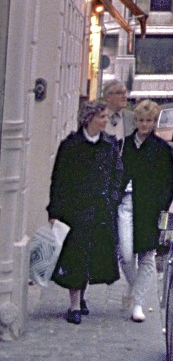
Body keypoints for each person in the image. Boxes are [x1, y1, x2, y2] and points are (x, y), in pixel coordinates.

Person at [47, 100, 121, 325]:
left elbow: (118, 174)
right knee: (76, 256)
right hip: (75, 210)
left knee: (91, 256)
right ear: (89, 119)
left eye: (106, 117)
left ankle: (83, 296)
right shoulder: (70, 145)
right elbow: (58, 180)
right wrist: (54, 211)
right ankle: (74, 305)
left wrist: (112, 199)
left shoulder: (109, 145)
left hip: (100, 210)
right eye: (102, 117)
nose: (106, 121)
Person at [118, 98, 173, 323]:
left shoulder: (161, 149)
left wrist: (162, 208)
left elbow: (168, 182)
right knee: (124, 252)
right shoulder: (124, 145)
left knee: (147, 255)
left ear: (154, 122)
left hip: (149, 207)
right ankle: (133, 286)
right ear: (135, 121)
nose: (144, 124)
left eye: (148, 120)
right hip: (125, 204)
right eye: (140, 120)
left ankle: (139, 303)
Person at [102, 81, 134, 147]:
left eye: (125, 92)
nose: (124, 96)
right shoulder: (96, 117)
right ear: (108, 97)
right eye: (120, 93)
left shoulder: (133, 118)